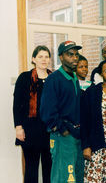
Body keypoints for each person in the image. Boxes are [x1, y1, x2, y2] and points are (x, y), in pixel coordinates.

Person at [40, 40, 84, 183]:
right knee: (63, 177)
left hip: (76, 136)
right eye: (70, 54)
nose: (74, 58)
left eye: (76, 55)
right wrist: (62, 129)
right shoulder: (54, 79)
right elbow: (47, 111)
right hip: (62, 136)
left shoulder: (74, 77)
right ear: (61, 57)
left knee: (76, 177)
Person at [13, 45, 52, 183]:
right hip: (30, 130)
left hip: (50, 130)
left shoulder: (54, 78)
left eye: (46, 56)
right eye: (40, 56)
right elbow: (17, 105)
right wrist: (18, 127)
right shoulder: (24, 78)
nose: (44, 59)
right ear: (33, 59)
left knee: (49, 168)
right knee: (31, 168)